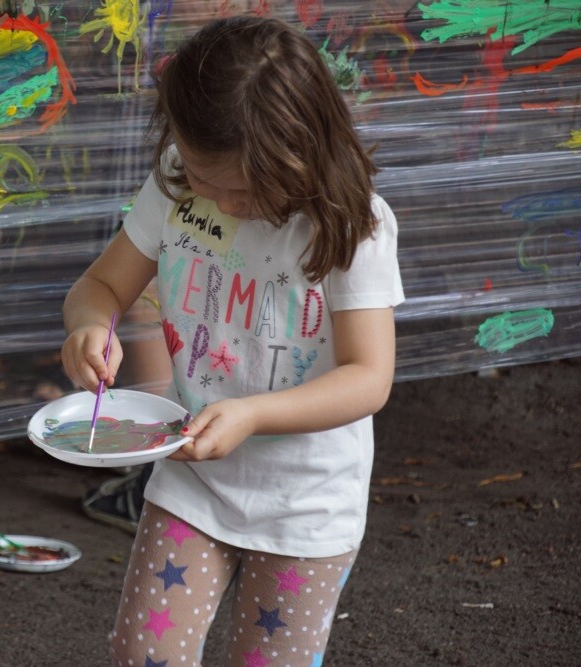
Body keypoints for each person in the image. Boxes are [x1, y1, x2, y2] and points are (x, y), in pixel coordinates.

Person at [61, 16, 404, 667]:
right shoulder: (176, 181)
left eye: (239, 188)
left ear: (300, 154)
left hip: (308, 504)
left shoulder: (354, 227)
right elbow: (100, 285)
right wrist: (90, 326)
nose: (214, 198)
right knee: (144, 654)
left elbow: (369, 376)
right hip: (192, 483)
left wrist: (253, 414)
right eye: (200, 175)